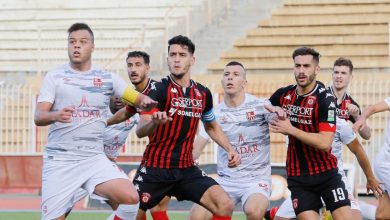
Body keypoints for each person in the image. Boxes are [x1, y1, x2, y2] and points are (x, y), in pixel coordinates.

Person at [34, 23, 156, 220]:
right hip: (61, 162)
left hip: (93, 158)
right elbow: (38, 116)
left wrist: (148, 102)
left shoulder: (107, 78)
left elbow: (137, 98)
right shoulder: (55, 76)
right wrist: (55, 115)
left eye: (82, 42)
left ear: (92, 47)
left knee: (131, 199)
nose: (76, 46)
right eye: (72, 42)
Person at [133, 35, 241, 220]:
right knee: (131, 211)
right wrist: (154, 122)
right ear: (167, 59)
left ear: (192, 60)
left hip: (186, 168)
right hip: (155, 168)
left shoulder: (202, 93)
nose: (176, 59)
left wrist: (230, 149)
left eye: (182, 54)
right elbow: (140, 130)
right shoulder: (158, 90)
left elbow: (212, 127)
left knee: (224, 205)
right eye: (172, 54)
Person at [188, 61, 284, 220]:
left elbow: (282, 123)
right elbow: (197, 148)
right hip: (226, 182)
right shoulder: (215, 114)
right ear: (222, 82)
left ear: (244, 83)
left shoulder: (260, 106)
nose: (230, 78)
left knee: (254, 210)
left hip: (256, 181)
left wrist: (281, 114)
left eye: (235, 74)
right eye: (226, 74)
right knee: (196, 216)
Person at [268, 47, 352, 220]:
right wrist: (273, 108)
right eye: (297, 66)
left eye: (306, 66)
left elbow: (324, 142)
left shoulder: (325, 99)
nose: (301, 71)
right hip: (299, 178)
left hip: (327, 174)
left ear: (316, 69)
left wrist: (290, 129)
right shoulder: (284, 94)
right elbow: (264, 107)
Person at [274, 117, 382, 220]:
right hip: (305, 183)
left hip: (333, 180)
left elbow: (358, 149)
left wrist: (370, 177)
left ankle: (359, 205)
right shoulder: (294, 122)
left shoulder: (338, 123)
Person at [107, 51, 170, 220]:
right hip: (164, 158)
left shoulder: (154, 91)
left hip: (164, 159)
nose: (133, 69)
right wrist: (105, 123)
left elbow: (141, 130)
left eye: (138, 65)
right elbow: (126, 113)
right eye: (130, 65)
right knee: (155, 207)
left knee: (132, 207)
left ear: (147, 68)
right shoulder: (137, 97)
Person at [353, 98, 390, 220]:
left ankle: (355, 206)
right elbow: (372, 108)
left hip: (383, 163)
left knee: (383, 215)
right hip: (387, 165)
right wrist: (362, 118)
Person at [329, 57, 371, 140]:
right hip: (316, 150)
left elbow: (367, 136)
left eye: (343, 73)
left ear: (351, 78)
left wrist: (356, 117)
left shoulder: (351, 104)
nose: (339, 76)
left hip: (336, 152)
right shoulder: (321, 96)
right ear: (332, 75)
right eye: (336, 72)